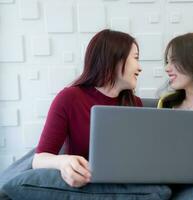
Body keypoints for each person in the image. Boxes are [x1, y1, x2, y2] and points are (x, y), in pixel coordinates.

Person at [32, 29, 142, 187]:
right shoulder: (69, 98)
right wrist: (63, 162)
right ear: (114, 58)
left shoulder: (135, 103)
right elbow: (39, 159)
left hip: (128, 184)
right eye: (136, 58)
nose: (139, 68)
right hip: (87, 186)